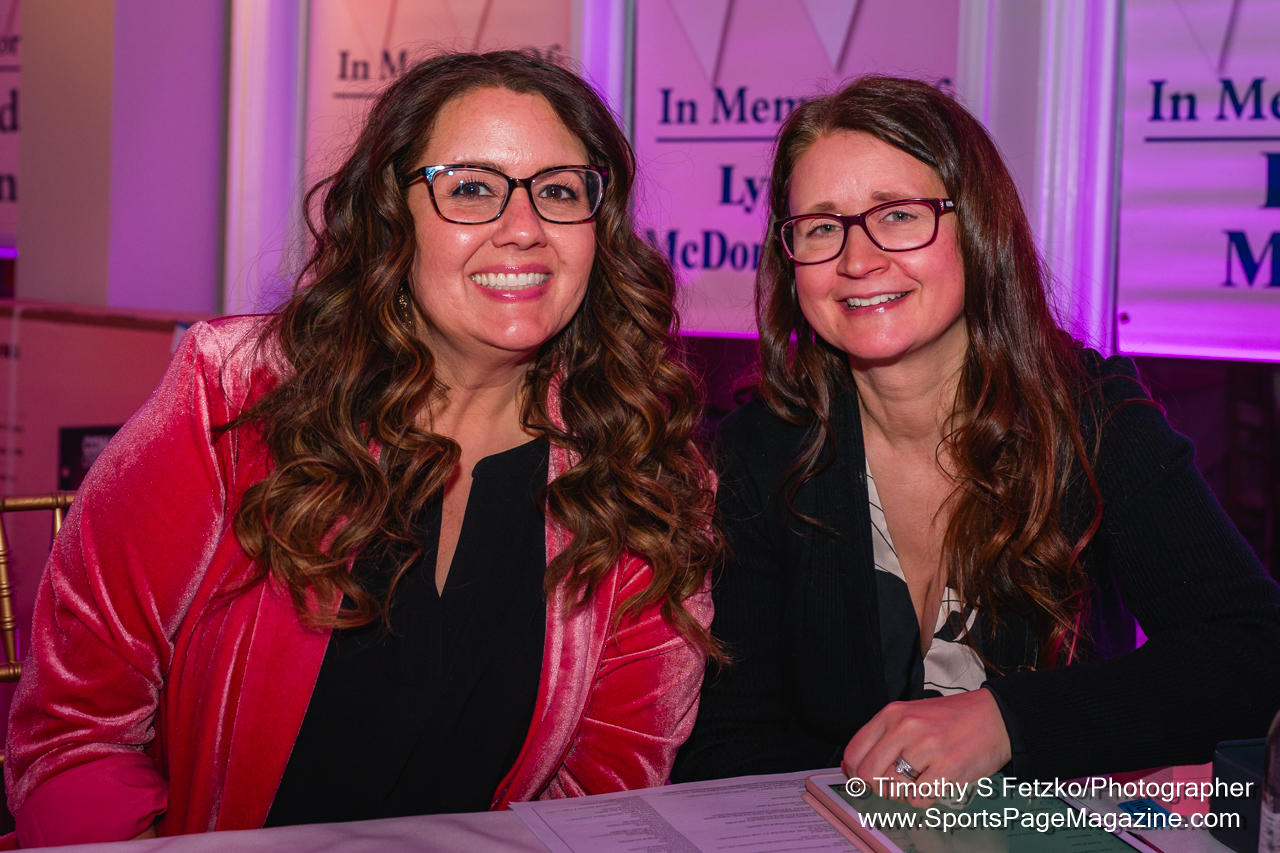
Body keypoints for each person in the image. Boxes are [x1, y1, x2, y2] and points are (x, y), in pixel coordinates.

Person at [7, 50, 719, 846]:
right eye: (470, 188)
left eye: (559, 190)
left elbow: (604, 794)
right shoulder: (236, 396)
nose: (523, 228)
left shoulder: (643, 475)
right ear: (390, 217)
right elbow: (75, 731)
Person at [672, 75, 1280, 801]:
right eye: (822, 227)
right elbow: (724, 746)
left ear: (978, 230)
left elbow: (1255, 651)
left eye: (899, 215)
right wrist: (877, 790)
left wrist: (1007, 721)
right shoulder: (757, 452)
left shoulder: (1089, 417)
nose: (857, 260)